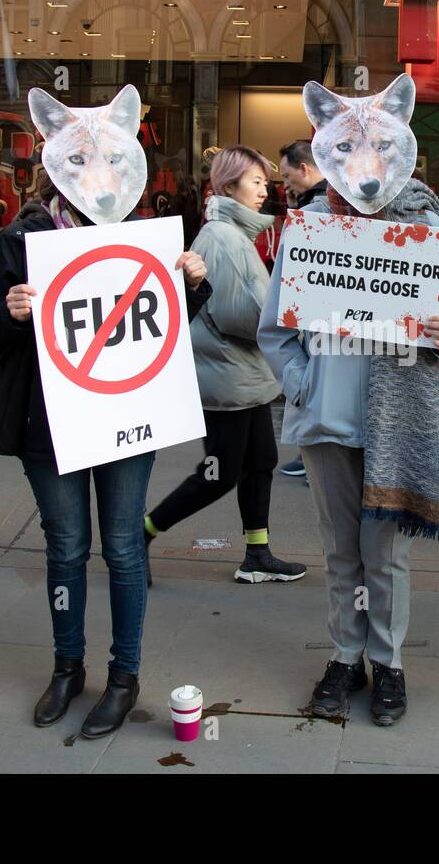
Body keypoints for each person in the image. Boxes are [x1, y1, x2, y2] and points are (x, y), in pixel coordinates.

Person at [259, 75, 439, 727]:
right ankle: (345, 654)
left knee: (386, 556)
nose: (365, 164)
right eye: (350, 150)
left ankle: (389, 664)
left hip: (396, 422)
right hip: (329, 422)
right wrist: (306, 388)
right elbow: (276, 332)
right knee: (341, 552)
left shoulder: (421, 222)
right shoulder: (312, 226)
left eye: (376, 150)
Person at [0, 166, 210, 738]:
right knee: (66, 547)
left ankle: (124, 677)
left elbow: (167, 326)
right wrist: (10, 312)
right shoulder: (21, 239)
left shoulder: (140, 235)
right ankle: (66, 668)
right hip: (49, 425)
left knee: (124, 548)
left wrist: (193, 284)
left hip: (124, 416)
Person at [143, 147, 306, 584]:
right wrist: (292, 317)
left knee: (261, 461)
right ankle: (140, 534)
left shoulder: (232, 233)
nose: (264, 190)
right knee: (219, 473)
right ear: (228, 186)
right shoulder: (222, 237)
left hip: (241, 375)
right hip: (226, 375)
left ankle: (257, 554)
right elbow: (242, 316)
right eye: (255, 182)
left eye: (265, 182)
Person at [275, 140, 329, 479]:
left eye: (286, 176)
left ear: (305, 169)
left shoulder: (316, 211)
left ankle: (314, 458)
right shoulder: (312, 206)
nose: (284, 184)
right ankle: (312, 457)